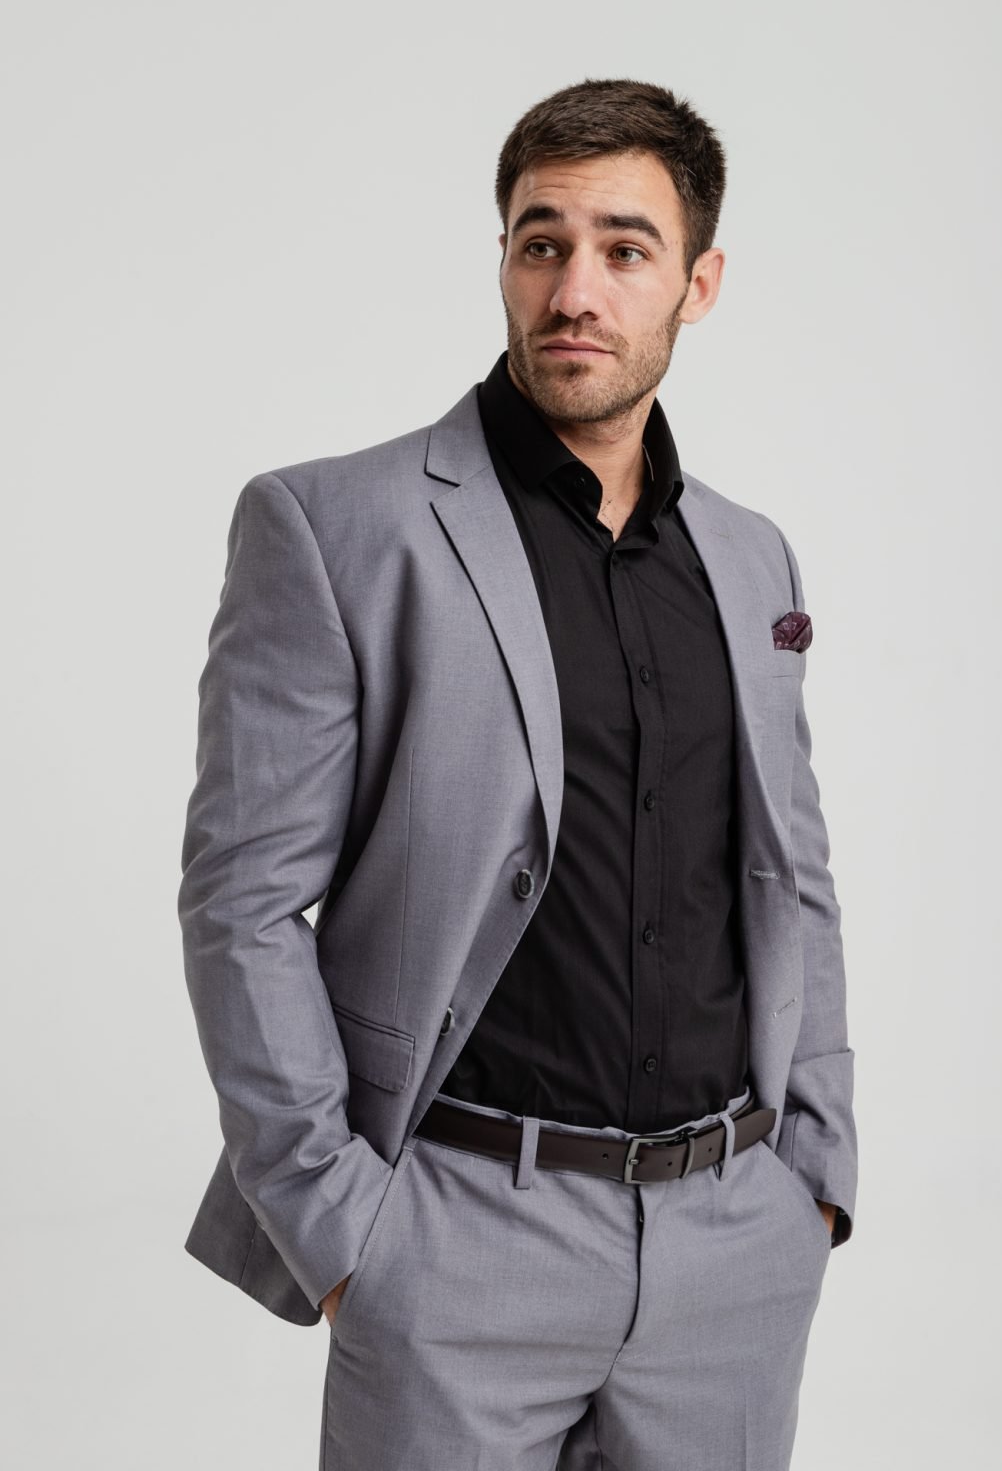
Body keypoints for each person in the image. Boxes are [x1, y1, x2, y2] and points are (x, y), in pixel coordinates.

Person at [178, 77, 856, 1470]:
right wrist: (342, 1229)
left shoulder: (752, 559)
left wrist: (817, 1175)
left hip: (733, 1252)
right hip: (456, 1242)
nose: (574, 291)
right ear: (502, 258)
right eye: (542, 243)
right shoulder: (333, 525)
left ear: (699, 283)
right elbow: (242, 903)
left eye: (625, 249)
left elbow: (793, 874)